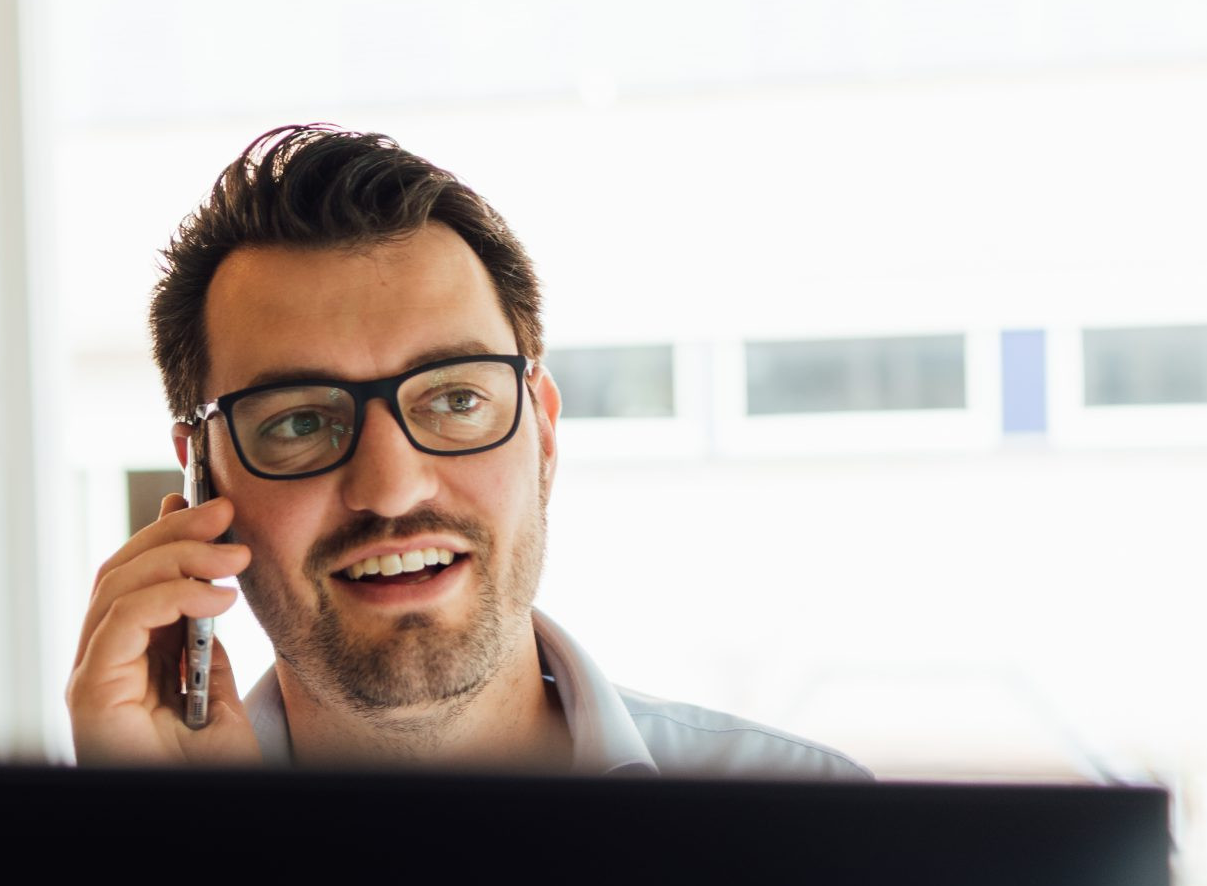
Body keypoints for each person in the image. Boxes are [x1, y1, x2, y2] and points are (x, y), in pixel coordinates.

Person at [66, 124, 869, 778]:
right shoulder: (122, 872)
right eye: (300, 422)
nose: (390, 487)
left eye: (455, 399)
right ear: (202, 476)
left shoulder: (823, 832)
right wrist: (172, 856)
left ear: (543, 432)